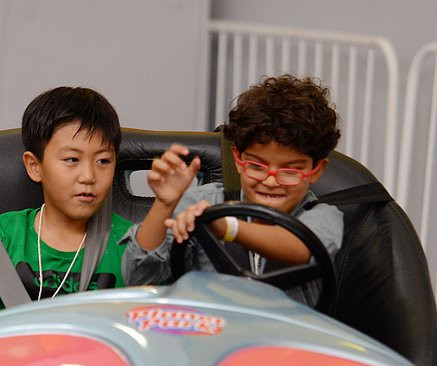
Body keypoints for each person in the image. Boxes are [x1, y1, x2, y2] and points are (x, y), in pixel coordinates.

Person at [122, 75, 343, 307]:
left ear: (317, 170)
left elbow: (301, 248)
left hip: (286, 330)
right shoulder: (202, 202)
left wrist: (227, 227)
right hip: (208, 326)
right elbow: (139, 279)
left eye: (290, 171)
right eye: (256, 166)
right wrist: (165, 204)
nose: (270, 181)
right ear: (237, 159)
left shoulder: (324, 217)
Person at [0, 86, 132, 318]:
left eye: (103, 161)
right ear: (34, 166)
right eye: (72, 159)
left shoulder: (131, 243)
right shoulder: (3, 237)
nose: (89, 176)